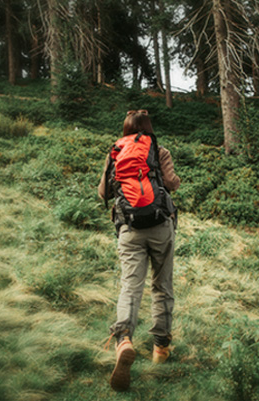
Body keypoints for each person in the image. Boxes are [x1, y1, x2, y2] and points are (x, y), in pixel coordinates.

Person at [98, 109, 181, 392]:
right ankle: (161, 348)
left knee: (130, 287)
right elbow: (172, 184)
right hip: (160, 226)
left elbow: (103, 193)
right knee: (162, 285)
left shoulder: (116, 150)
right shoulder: (159, 149)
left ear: (125, 128)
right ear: (148, 127)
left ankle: (123, 339)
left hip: (129, 229)